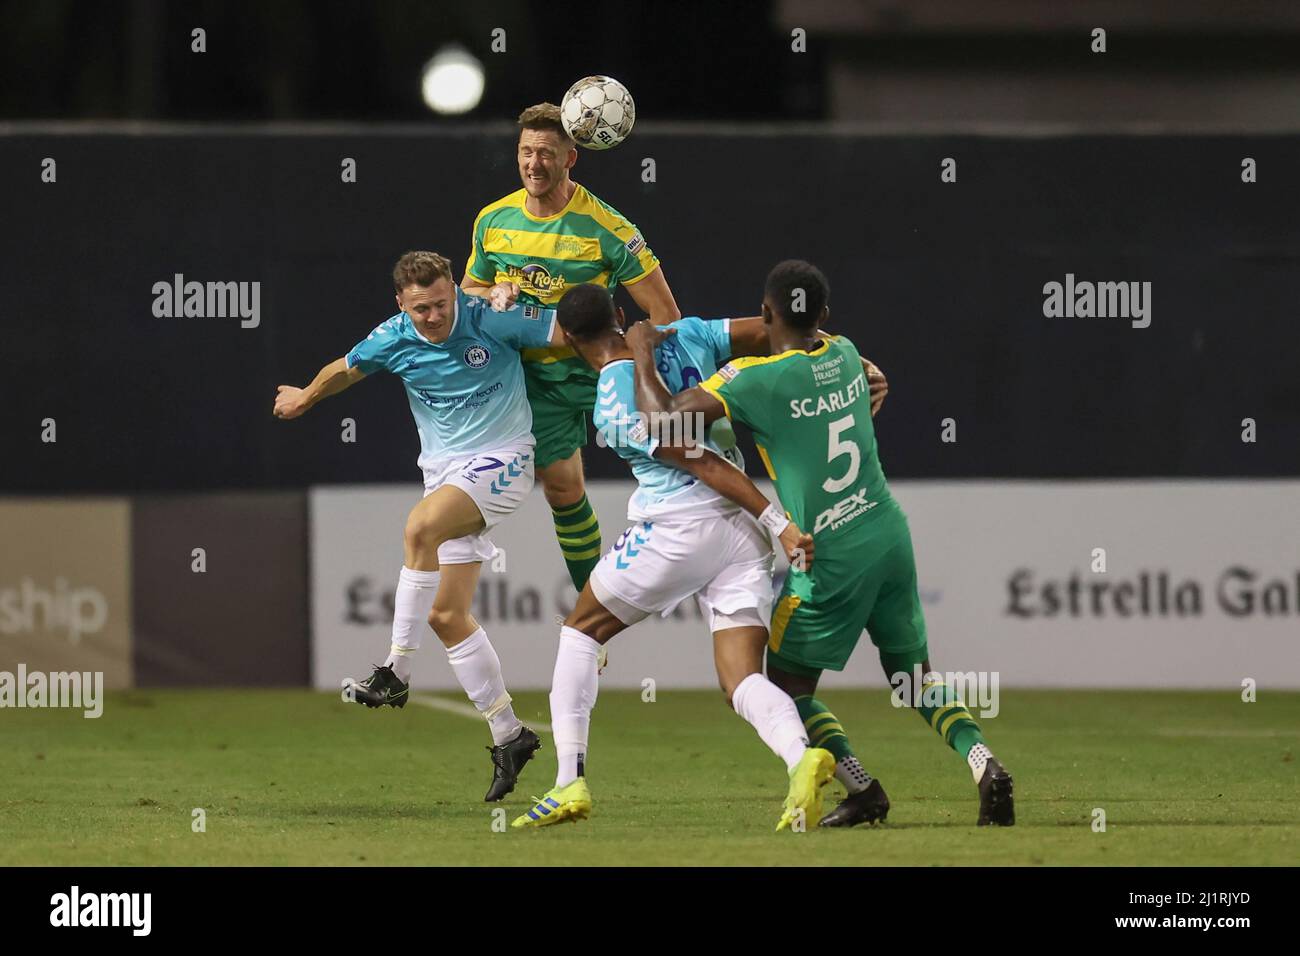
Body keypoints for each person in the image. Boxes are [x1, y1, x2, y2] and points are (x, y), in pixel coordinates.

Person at [626, 259, 1015, 827]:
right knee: (914, 678)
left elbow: (663, 421)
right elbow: (836, 355)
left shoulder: (755, 379)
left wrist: (639, 351)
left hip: (827, 551)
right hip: (887, 533)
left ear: (765, 313)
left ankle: (863, 788)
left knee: (785, 687)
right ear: (825, 317)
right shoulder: (845, 354)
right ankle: (985, 764)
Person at [512, 285, 835, 832]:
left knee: (581, 632)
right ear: (620, 315)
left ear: (567, 339)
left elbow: (698, 460)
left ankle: (569, 781)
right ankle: (800, 756)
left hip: (681, 528)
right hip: (742, 537)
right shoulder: (687, 333)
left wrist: (778, 523)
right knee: (739, 679)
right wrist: (843, 357)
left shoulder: (613, 403)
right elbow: (777, 329)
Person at [273, 250, 567, 802]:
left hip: (503, 460)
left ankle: (395, 671)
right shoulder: (394, 336)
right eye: (419, 309)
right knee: (447, 615)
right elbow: (345, 368)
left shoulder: (490, 317)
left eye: (439, 305)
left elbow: (565, 330)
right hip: (445, 473)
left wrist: (533, 297)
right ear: (400, 304)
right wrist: (307, 397)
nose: (431, 318)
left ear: (454, 289)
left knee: (418, 530)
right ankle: (510, 734)